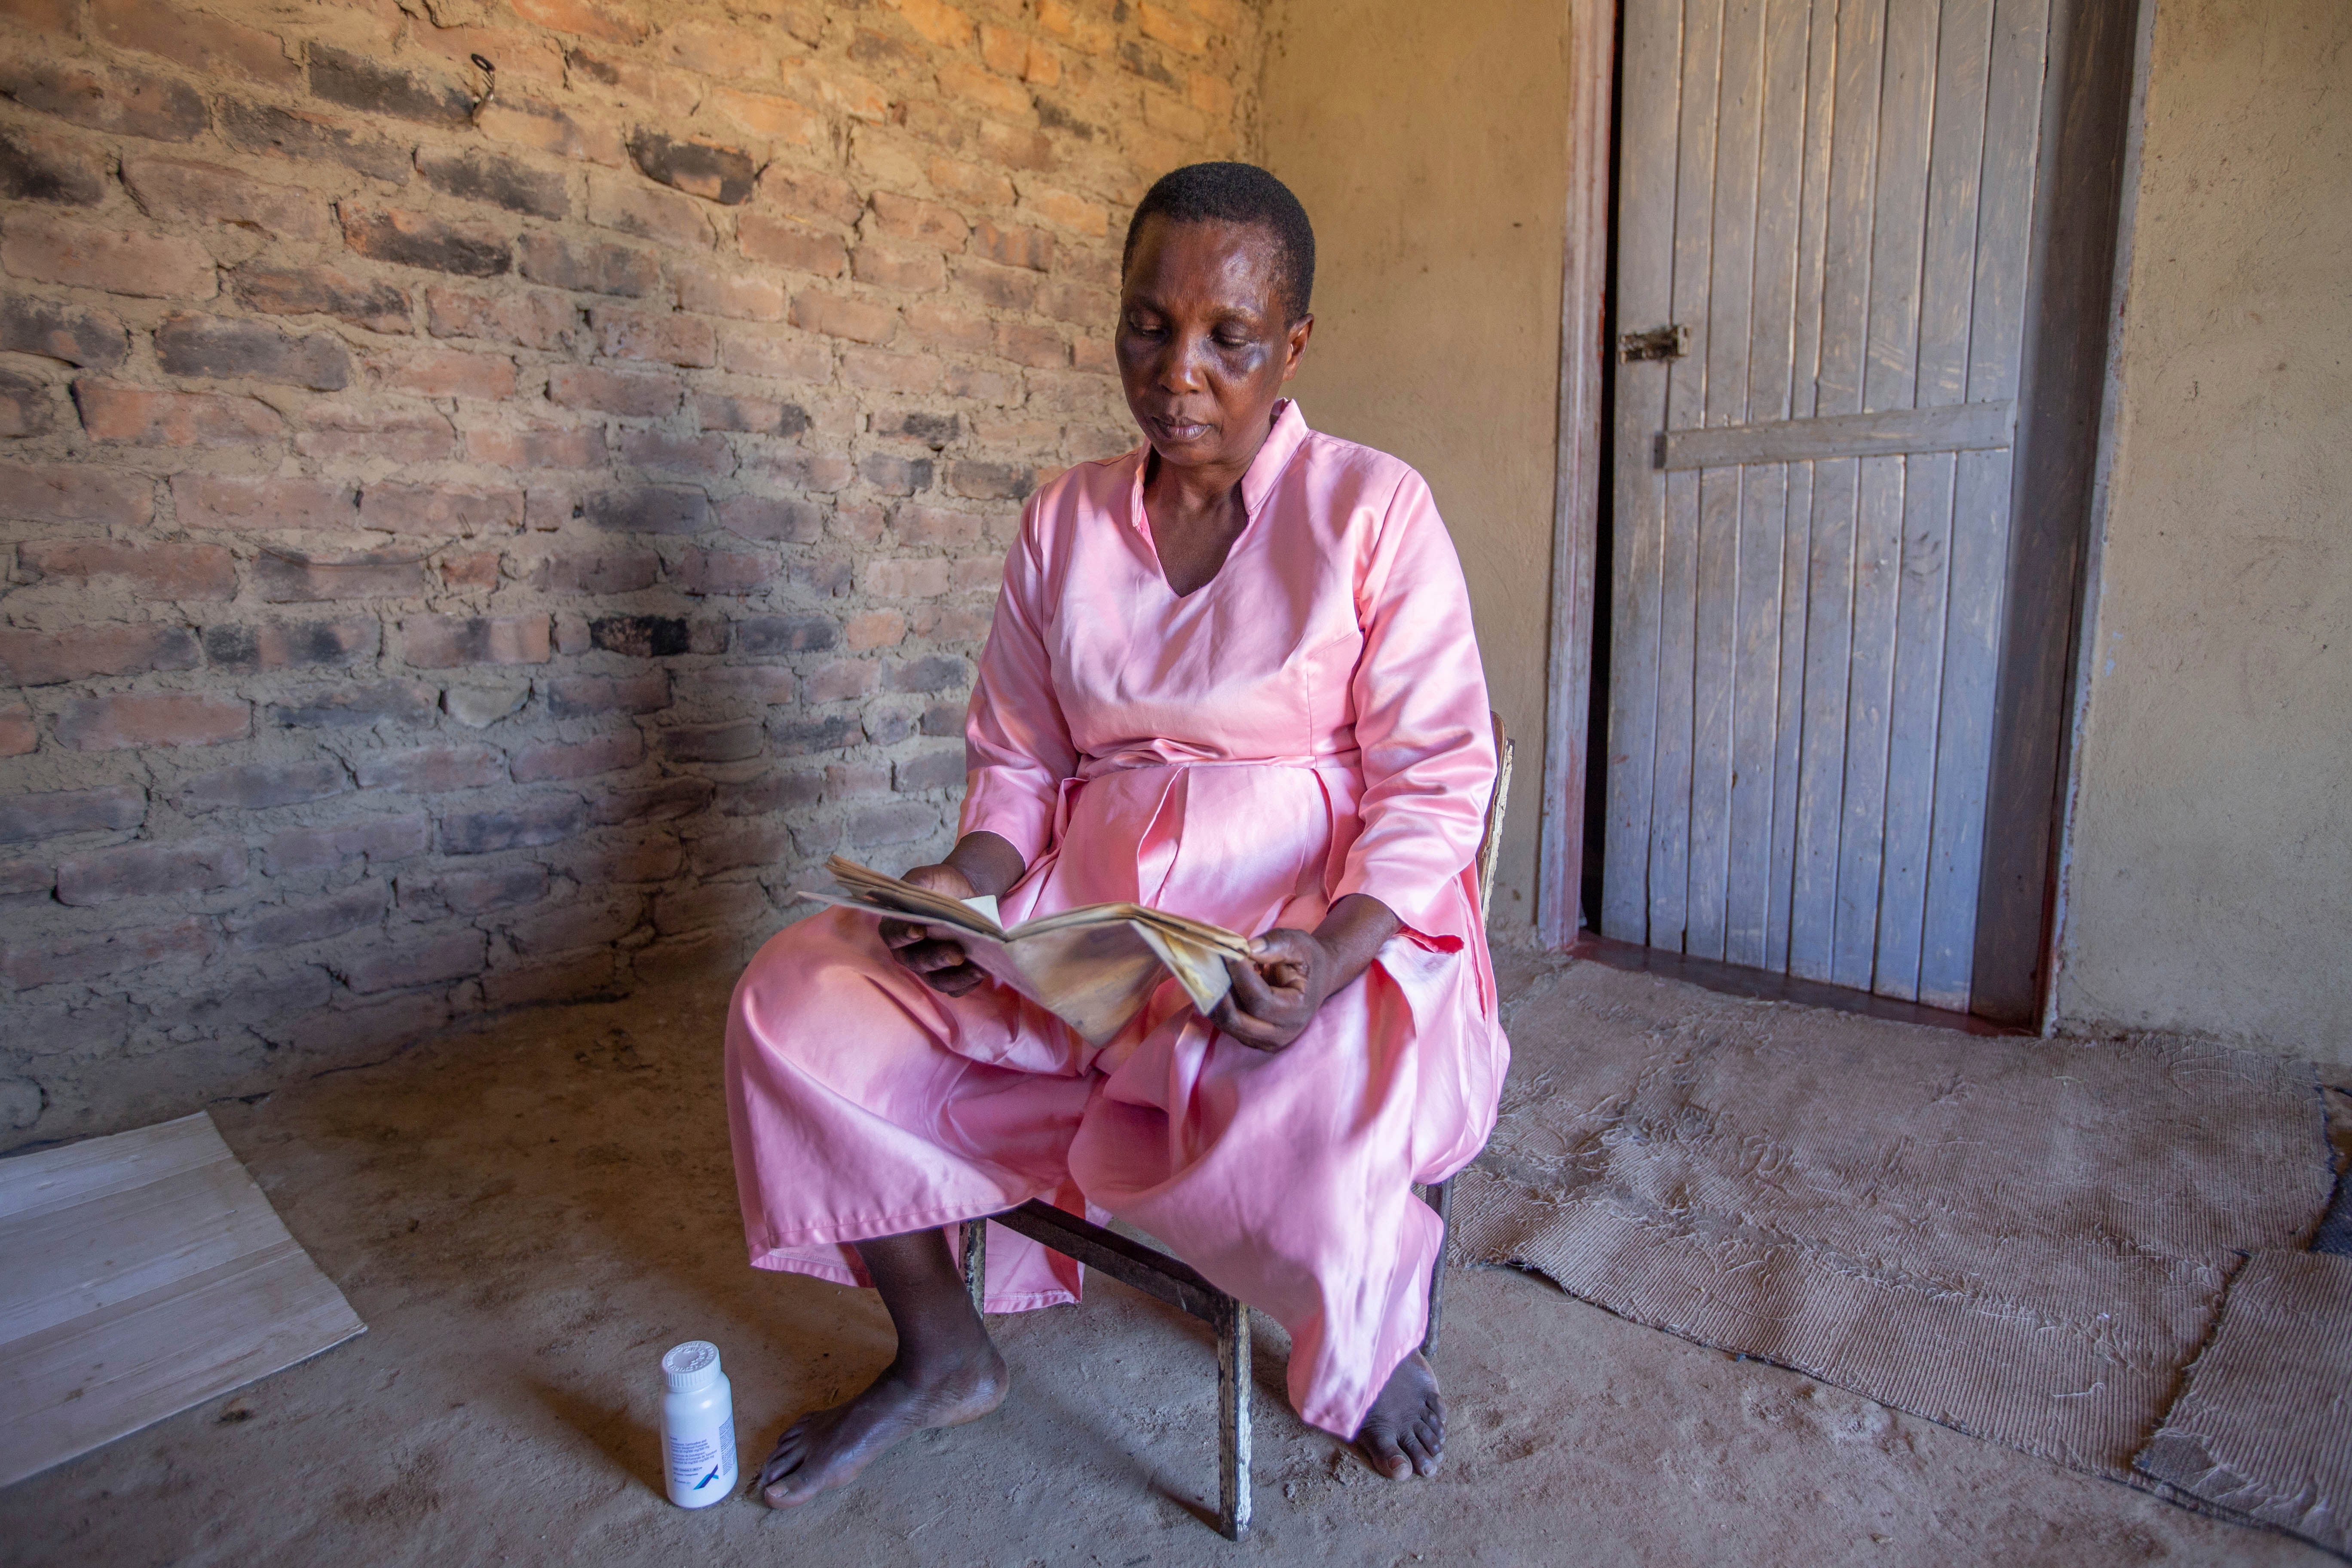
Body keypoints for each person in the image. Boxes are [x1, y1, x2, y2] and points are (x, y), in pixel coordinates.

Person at [726, 161, 1508, 1507]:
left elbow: (1437, 782)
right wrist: (963, 893)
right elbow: (1019, 768)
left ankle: (1370, 1325)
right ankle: (940, 1355)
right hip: (1076, 943)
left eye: (1228, 338)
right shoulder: (1064, 519)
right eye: (1149, 324)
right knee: (796, 1002)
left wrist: (1325, 959)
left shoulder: (1373, 510)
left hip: (1281, 948)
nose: (1178, 371)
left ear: (1295, 348)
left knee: (1310, 1125)